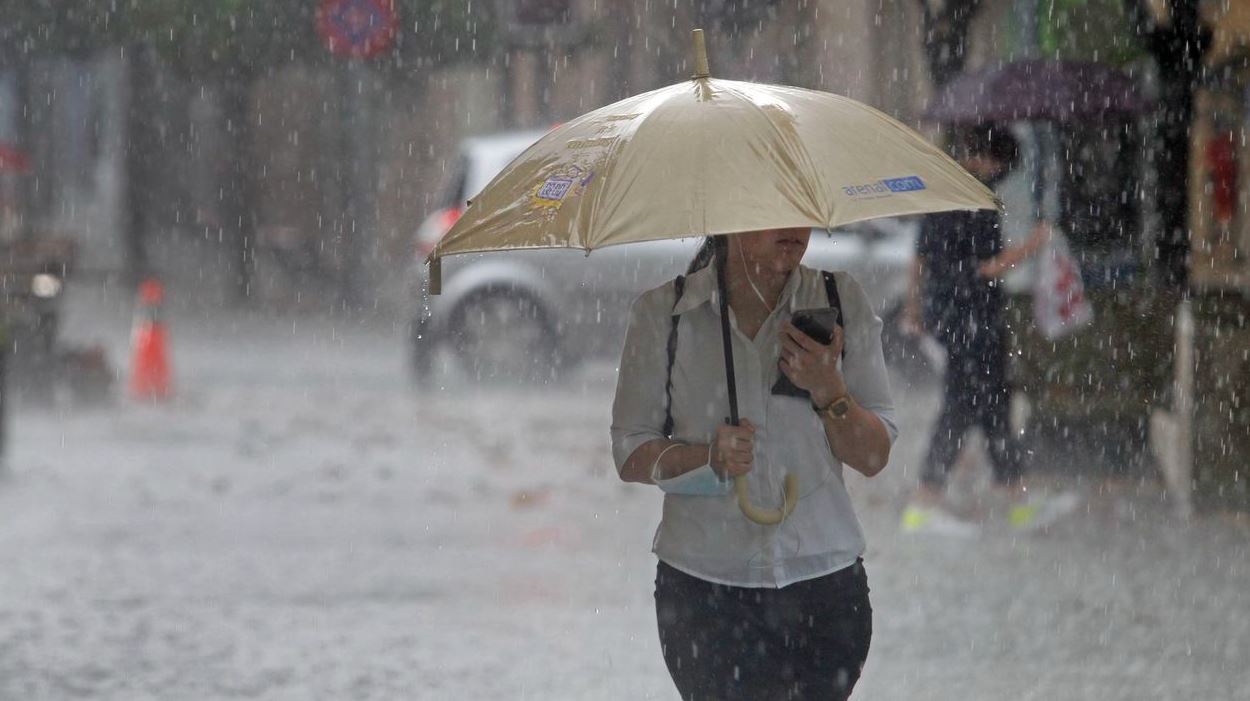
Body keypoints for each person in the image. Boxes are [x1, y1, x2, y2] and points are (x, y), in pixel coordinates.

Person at [611, 228, 897, 700]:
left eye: (799, 209)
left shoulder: (839, 300)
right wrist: (705, 458)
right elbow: (630, 451)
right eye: (773, 211)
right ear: (729, 218)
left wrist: (830, 390)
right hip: (704, 592)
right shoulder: (665, 313)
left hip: (823, 585)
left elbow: (873, 456)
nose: (794, 228)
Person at [900, 123, 1074, 536]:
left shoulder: (942, 191)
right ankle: (925, 503)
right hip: (973, 317)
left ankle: (1015, 494)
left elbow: (920, 259)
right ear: (989, 160)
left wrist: (917, 306)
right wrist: (1035, 244)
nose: (1000, 175)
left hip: (954, 315)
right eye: (1002, 167)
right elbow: (985, 267)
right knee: (964, 405)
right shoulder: (974, 199)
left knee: (991, 402)